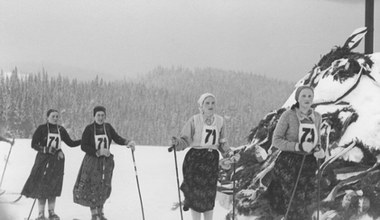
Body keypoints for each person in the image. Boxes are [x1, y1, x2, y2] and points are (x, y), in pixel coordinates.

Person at [171, 93, 238, 220]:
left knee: (208, 195)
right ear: (201, 106)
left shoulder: (220, 121)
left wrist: (229, 154)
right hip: (195, 160)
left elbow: (222, 142)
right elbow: (185, 140)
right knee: (195, 195)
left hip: (211, 160)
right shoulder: (194, 120)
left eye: (213, 103)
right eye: (207, 103)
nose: (210, 105)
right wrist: (177, 143)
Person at [268, 85, 325, 220]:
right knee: (294, 202)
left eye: (310, 96)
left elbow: (316, 140)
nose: (307, 99)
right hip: (289, 163)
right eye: (303, 96)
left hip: (308, 164)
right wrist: (297, 146)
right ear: (297, 98)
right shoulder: (288, 115)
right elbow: (276, 140)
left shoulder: (317, 117)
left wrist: (318, 150)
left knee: (308, 201)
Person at [73, 106, 136, 220]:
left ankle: (100, 212)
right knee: (91, 186)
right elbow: (83, 145)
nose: (101, 118)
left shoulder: (108, 127)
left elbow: (117, 138)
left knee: (103, 186)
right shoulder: (89, 129)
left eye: (103, 115)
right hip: (92, 161)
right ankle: (94, 214)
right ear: (94, 116)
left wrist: (127, 142)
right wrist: (97, 152)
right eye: (98, 115)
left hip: (105, 162)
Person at [21, 109, 81, 220]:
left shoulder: (61, 130)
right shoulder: (42, 129)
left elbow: (71, 143)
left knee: (53, 185)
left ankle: (51, 212)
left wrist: (83, 141)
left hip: (56, 161)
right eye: (53, 116)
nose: (55, 118)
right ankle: (40, 213)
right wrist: (45, 149)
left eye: (57, 116)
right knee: (41, 186)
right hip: (43, 160)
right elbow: (33, 144)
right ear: (47, 117)